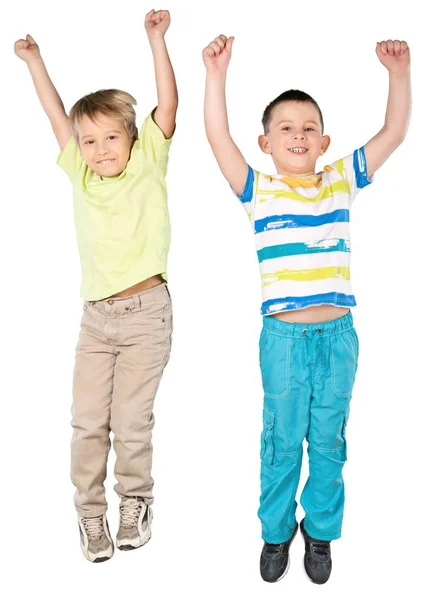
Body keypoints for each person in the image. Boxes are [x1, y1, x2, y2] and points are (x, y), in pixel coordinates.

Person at [203, 35, 410, 584]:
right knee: (280, 442)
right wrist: (217, 73)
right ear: (266, 142)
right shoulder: (257, 189)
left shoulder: (340, 180)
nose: (298, 134)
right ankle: (276, 533)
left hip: (337, 338)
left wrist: (398, 72)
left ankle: (319, 531)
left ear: (324, 142)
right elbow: (217, 136)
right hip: (285, 343)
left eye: (308, 128)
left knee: (329, 442)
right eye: (286, 128)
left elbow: (393, 132)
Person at [14, 8, 177, 563]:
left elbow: (167, 105)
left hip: (145, 313)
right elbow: (56, 115)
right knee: (87, 422)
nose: (100, 148)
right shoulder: (80, 173)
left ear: (133, 138)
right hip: (96, 319)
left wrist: (155, 39)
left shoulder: (148, 162)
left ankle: (135, 502)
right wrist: (35, 61)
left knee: (131, 423)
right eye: (90, 141)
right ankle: (90, 515)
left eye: (111, 137)